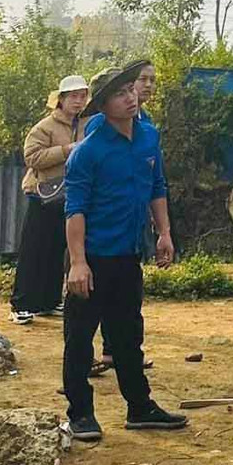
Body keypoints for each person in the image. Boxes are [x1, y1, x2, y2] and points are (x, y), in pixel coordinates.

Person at [62, 62, 186, 442]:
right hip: (93, 259)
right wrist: (79, 263)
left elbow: (157, 187)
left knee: (128, 336)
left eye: (132, 89)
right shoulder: (87, 152)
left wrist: (163, 233)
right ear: (102, 104)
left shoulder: (149, 137)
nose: (132, 97)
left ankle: (140, 407)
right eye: (121, 93)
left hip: (129, 254)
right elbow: (75, 209)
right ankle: (81, 413)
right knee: (80, 339)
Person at [88, 58, 157, 373]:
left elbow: (157, 181)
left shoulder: (148, 128)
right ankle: (98, 356)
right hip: (100, 232)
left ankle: (123, 355)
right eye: (140, 81)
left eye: (144, 83)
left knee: (129, 296)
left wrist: (162, 228)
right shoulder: (96, 133)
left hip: (134, 223)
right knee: (94, 301)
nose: (141, 89)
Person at [10, 75, 88, 324]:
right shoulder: (44, 127)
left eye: (82, 95)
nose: (78, 101)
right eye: (73, 96)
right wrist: (66, 151)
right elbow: (32, 157)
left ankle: (49, 301)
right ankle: (20, 304)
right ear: (61, 100)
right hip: (41, 195)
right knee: (33, 250)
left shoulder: (86, 124)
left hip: (70, 194)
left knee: (58, 250)